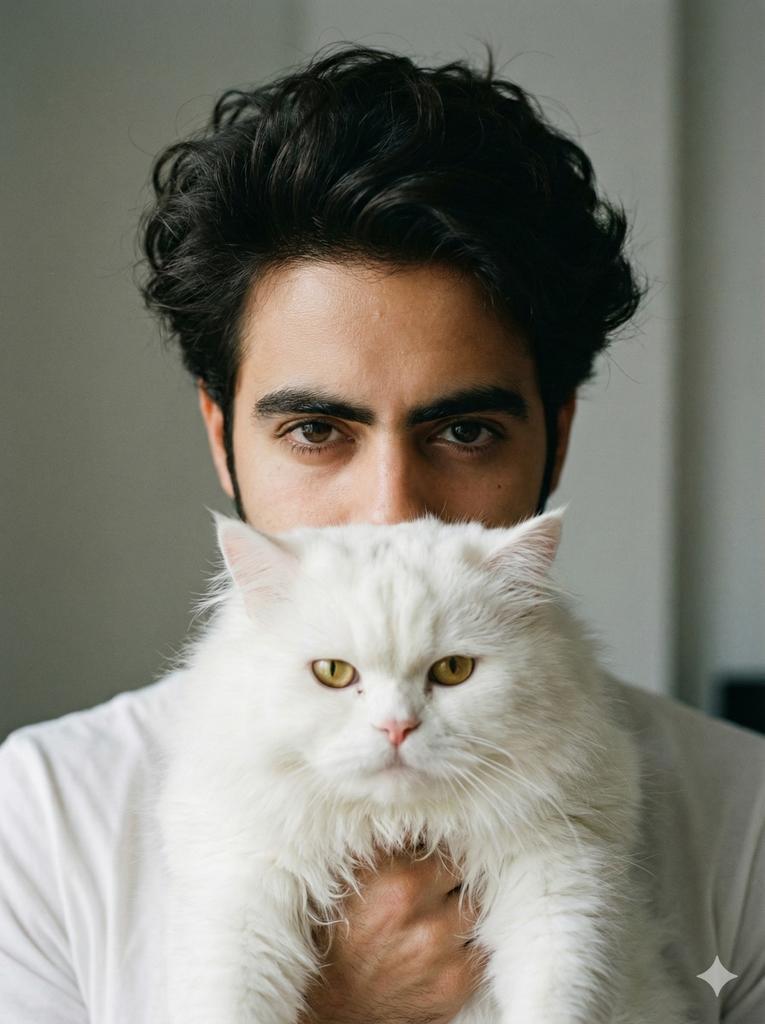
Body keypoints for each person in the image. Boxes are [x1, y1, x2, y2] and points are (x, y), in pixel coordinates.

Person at [1, 43, 763, 1024]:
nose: (392, 510)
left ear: (557, 438)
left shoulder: (744, 821)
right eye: (317, 431)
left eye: (464, 430)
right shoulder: (38, 820)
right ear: (220, 439)